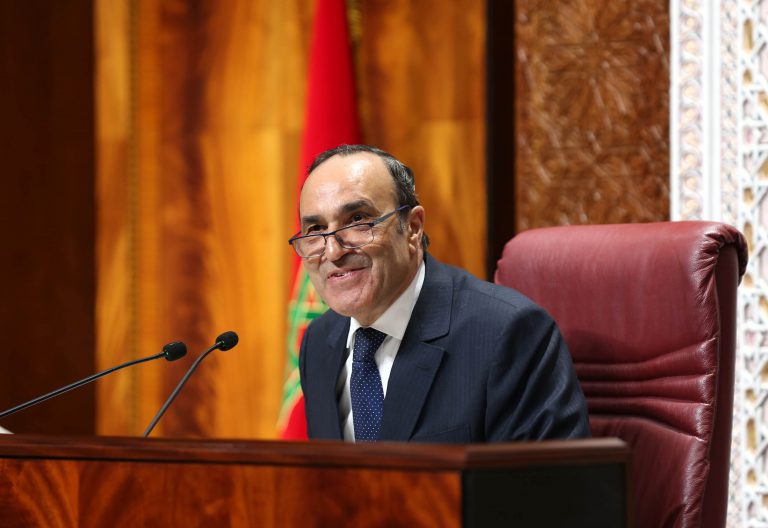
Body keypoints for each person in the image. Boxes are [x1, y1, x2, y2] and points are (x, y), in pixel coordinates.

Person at [292, 144, 589, 442]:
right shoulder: (319, 341)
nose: (333, 251)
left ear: (412, 227)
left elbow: (548, 473)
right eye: (316, 229)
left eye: (358, 220)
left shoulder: (508, 334)